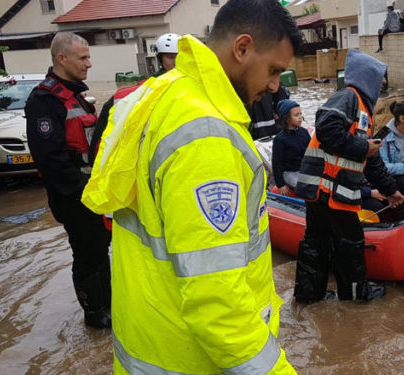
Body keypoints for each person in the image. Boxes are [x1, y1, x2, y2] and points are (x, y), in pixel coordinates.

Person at [80, 0, 302, 373]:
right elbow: (217, 303)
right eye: (274, 70)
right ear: (242, 48)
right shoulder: (206, 138)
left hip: (152, 341)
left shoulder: (161, 94)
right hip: (193, 360)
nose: (276, 86)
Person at [294, 49, 404, 303]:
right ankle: (356, 294)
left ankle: (310, 295)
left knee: (316, 241)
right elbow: (326, 128)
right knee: (351, 241)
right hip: (329, 191)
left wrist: (390, 190)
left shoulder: (363, 111)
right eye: (380, 77)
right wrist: (364, 147)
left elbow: (371, 159)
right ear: (368, 77)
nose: (384, 83)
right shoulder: (348, 98)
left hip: (323, 192)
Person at [25, 32, 111, 329]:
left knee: (100, 248)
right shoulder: (44, 99)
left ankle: (107, 304)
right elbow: (49, 158)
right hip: (73, 193)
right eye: (83, 58)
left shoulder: (76, 94)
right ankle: (95, 315)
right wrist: (82, 191)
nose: (89, 63)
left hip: (90, 189)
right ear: (62, 59)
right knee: (88, 252)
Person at [92, 33, 182, 166]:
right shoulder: (142, 90)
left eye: (179, 57)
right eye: (170, 57)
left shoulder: (195, 86)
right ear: (160, 59)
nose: (175, 62)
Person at [272, 99, 310, 195]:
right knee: (305, 188)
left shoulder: (304, 132)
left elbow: (312, 153)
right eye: (296, 115)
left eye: (300, 114)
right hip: (290, 173)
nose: (300, 117)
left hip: (305, 170)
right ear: (286, 118)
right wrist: (280, 184)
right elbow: (276, 163)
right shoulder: (280, 139)